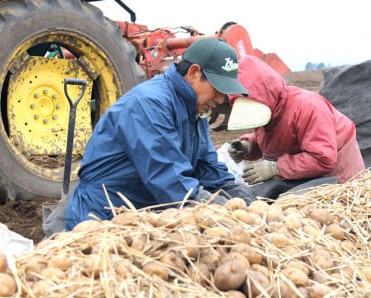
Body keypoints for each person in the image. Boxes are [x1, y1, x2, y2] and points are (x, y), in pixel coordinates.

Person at [43, 38, 255, 236]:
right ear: (193, 73)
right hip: (105, 218)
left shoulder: (195, 112)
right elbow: (170, 180)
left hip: (146, 216)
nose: (221, 98)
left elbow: (208, 169)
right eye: (217, 88)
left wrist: (249, 205)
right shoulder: (149, 103)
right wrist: (224, 215)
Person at [225, 55, 366, 199]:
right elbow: (274, 135)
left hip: (337, 180)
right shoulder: (270, 108)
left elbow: (322, 159)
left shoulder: (308, 107)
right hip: (303, 176)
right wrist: (249, 145)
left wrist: (275, 168)